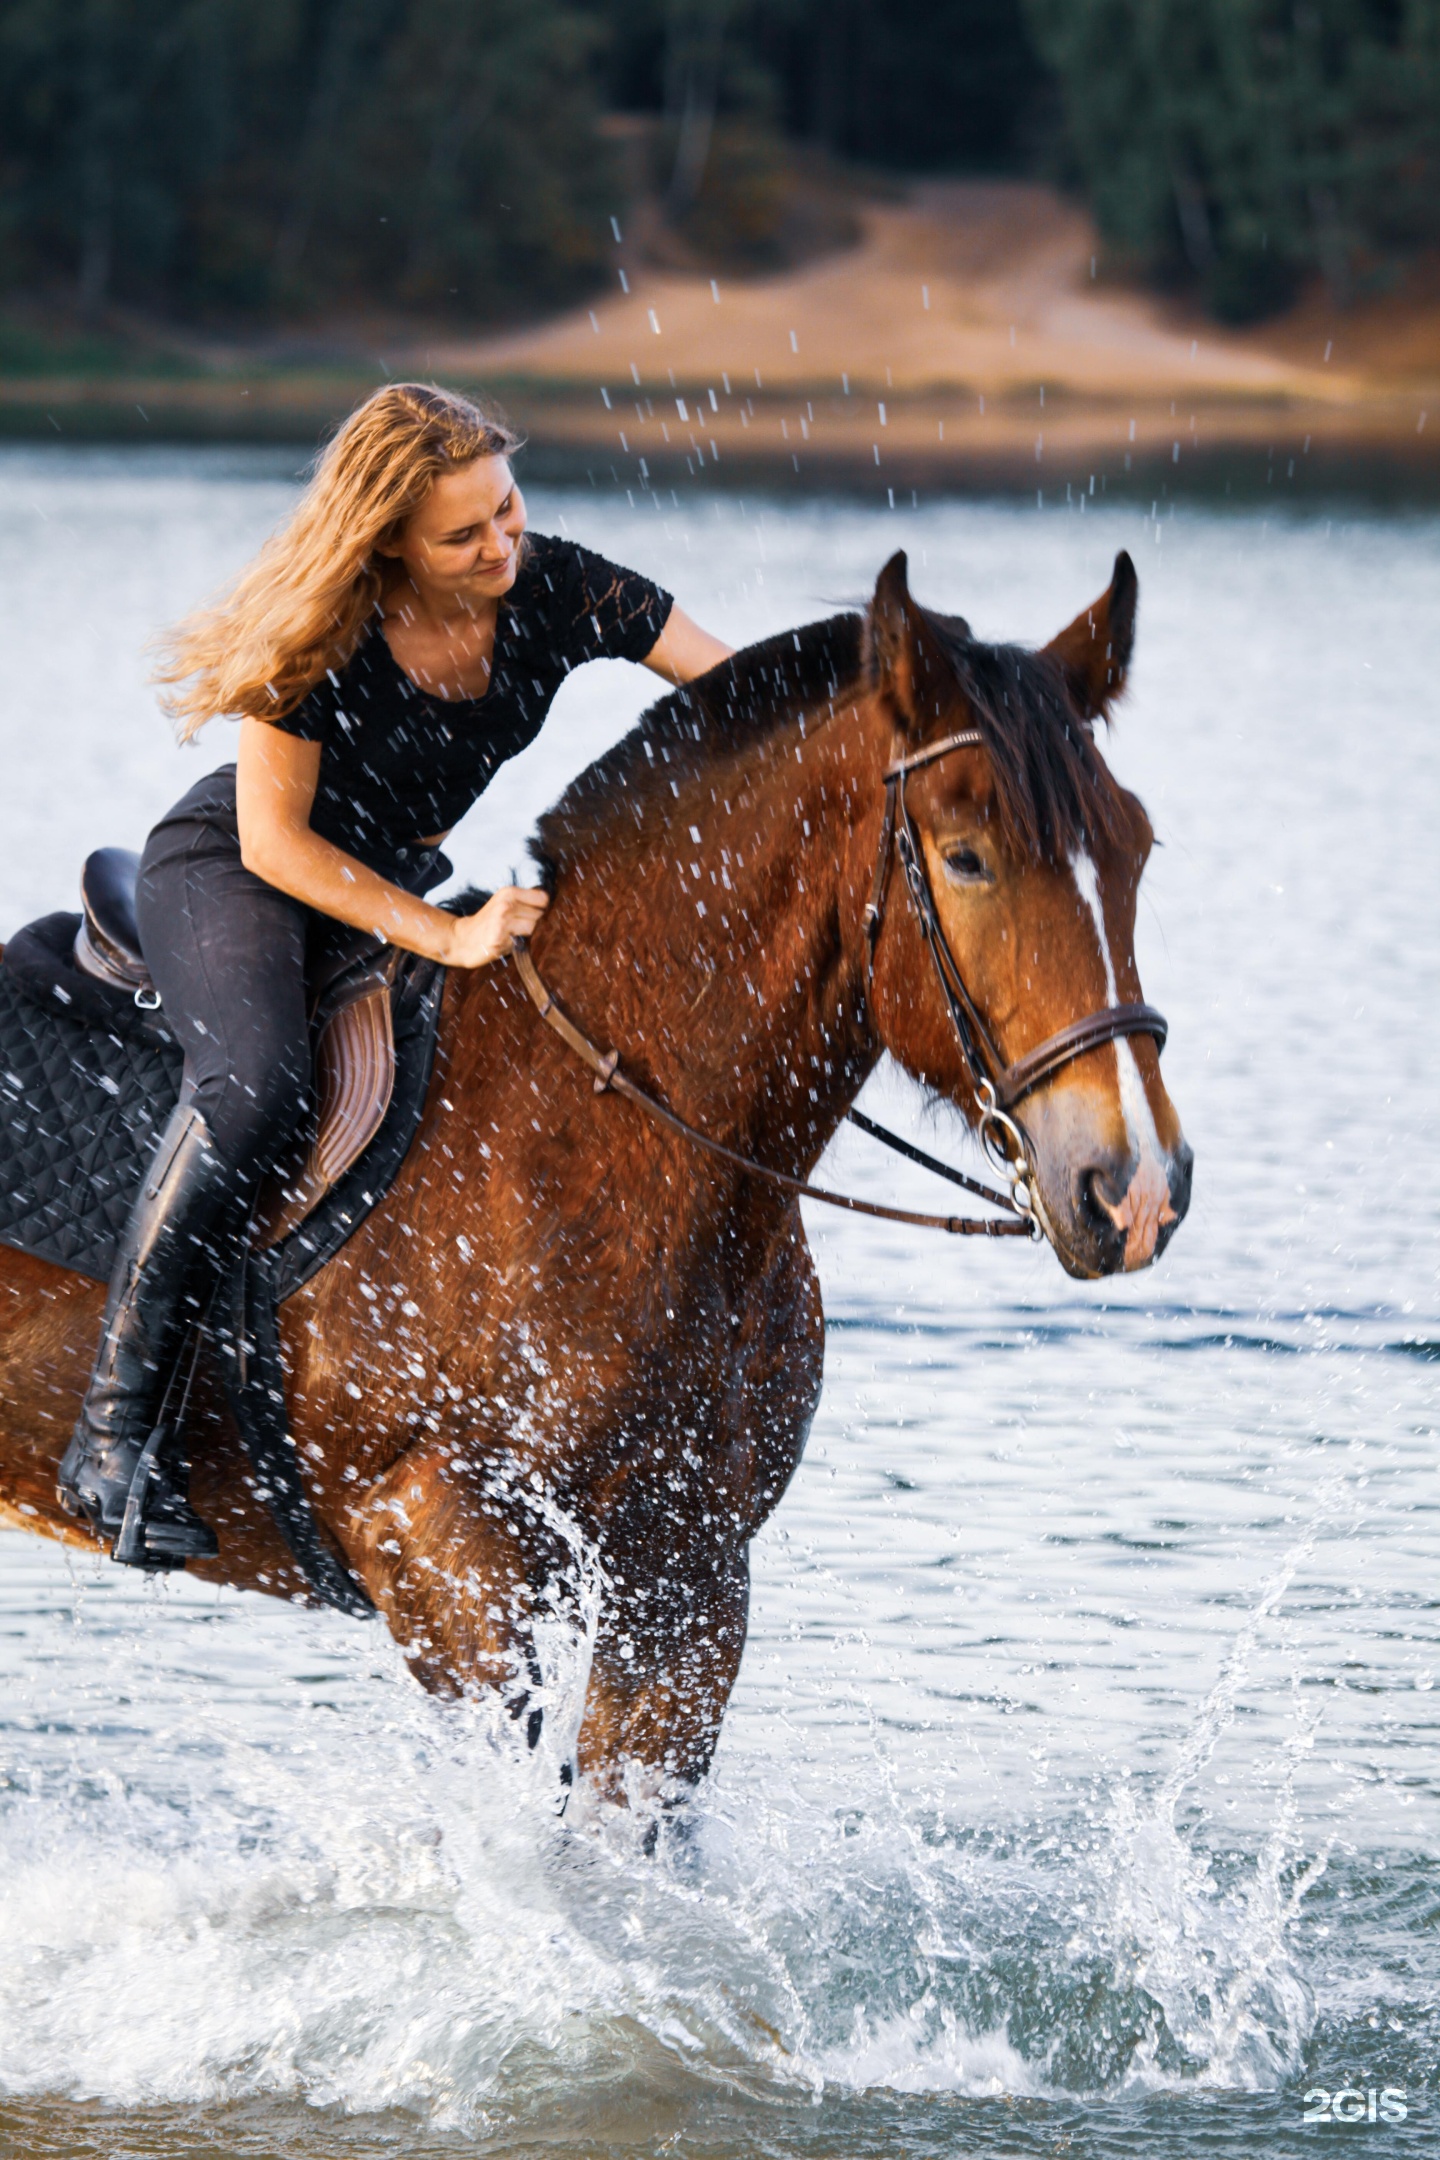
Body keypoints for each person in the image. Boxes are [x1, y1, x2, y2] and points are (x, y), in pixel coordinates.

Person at [58, 382, 733, 1565]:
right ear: (389, 543)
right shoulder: (317, 627)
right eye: (464, 534)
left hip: (395, 877)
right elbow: (277, 846)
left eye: (509, 508)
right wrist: (449, 936)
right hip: (240, 872)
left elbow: (737, 680)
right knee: (259, 1092)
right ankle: (111, 1441)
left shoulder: (559, 584)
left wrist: (889, 696)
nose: (501, 544)